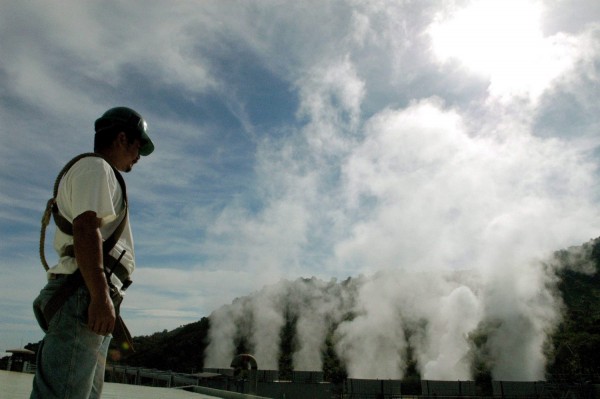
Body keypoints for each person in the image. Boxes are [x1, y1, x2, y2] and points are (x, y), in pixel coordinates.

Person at [31, 107, 154, 399]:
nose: (138, 156)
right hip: (83, 295)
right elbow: (86, 228)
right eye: (138, 146)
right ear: (122, 138)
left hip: (89, 295)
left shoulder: (100, 172)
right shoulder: (95, 168)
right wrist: (99, 295)